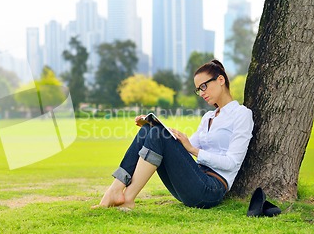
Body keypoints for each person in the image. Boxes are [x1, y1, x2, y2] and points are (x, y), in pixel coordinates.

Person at [92, 60, 254, 210]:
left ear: (220, 80)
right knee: (149, 129)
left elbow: (232, 163)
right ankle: (114, 190)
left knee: (156, 132)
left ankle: (127, 198)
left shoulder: (241, 114)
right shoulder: (208, 117)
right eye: (198, 90)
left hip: (210, 189)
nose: (201, 93)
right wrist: (153, 124)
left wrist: (194, 150)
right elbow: (179, 146)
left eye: (203, 86)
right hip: (191, 181)